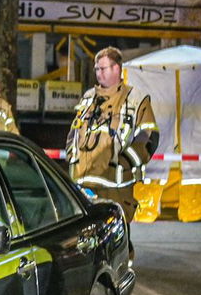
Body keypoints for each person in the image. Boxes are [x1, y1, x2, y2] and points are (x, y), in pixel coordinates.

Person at [66, 47, 159, 228]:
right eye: (97, 69)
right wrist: (71, 156)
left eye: (103, 68)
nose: (98, 74)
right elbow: (74, 132)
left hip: (115, 188)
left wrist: (124, 163)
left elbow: (149, 136)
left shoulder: (135, 99)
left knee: (117, 243)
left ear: (116, 69)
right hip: (82, 185)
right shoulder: (88, 97)